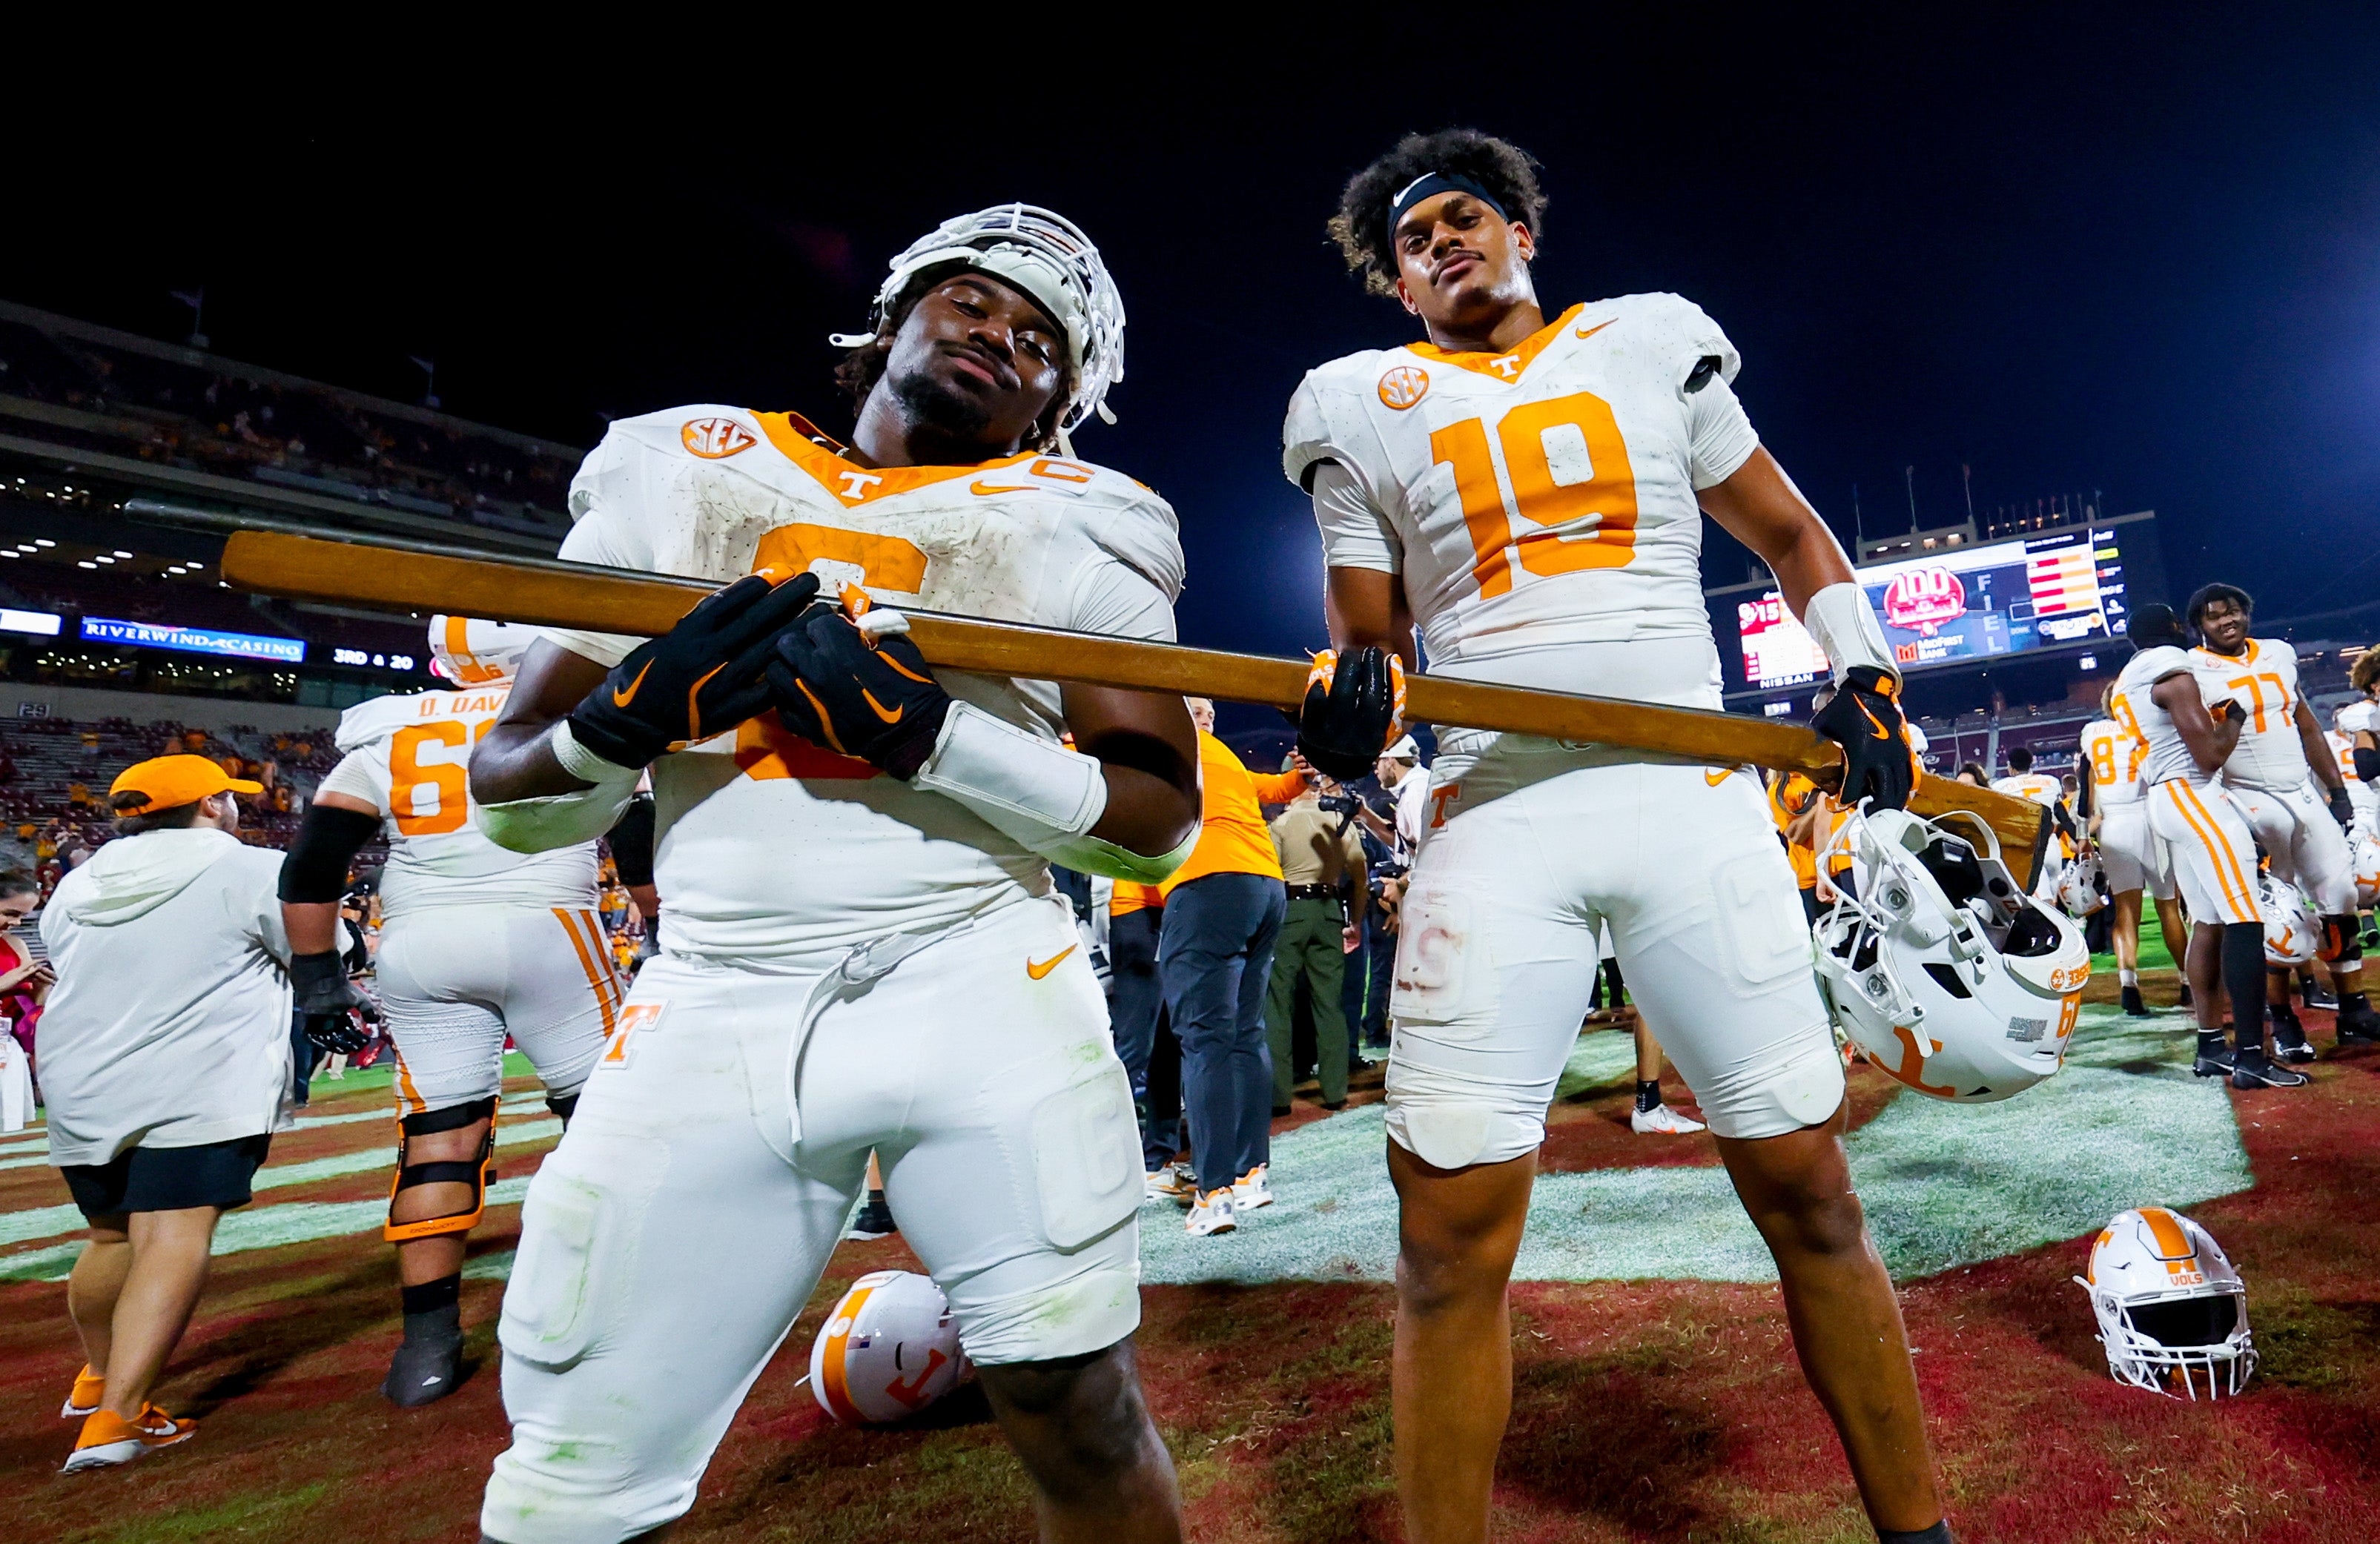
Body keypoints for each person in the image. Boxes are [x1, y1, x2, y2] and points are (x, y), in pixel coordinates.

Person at [465, 203, 1201, 1544]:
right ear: (896, 313)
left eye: (1041, 343)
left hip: (982, 974)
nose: (1001, 339)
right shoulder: (681, 462)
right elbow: (511, 797)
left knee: (1077, 1405)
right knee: (577, 1463)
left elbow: (1153, 821)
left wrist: (938, 738)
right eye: (975, 305)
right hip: (713, 994)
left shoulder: (1087, 518)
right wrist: (621, 721)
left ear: (1058, 405)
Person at [1283, 129, 1951, 1543]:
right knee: (1446, 1242)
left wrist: (1866, 666)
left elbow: (1790, 532)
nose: (1443, 243)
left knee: (1809, 1187)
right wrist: (1347, 700)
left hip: (1682, 793)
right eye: (1415, 240)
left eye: (1466, 216)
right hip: (1493, 808)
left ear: (1524, 229)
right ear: (1397, 284)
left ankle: (1921, 1532)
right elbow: (1366, 636)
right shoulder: (1358, 404)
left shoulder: (1650, 343)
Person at [276, 614, 644, 1407]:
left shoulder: (387, 731)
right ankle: (640, 1305)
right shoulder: (571, 714)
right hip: (548, 922)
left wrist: (318, 979)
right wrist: (668, 927)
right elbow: (640, 842)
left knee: (437, 1142)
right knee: (614, 1122)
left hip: (419, 940)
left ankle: (427, 1347)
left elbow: (312, 863)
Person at [39, 755, 291, 1471]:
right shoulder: (249, 867)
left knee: (111, 1235)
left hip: (80, 1075)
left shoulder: (80, 878)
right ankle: (116, 1419)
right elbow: (314, 945)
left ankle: (97, 1379)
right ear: (211, 806)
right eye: (228, 798)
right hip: (194, 1077)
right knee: (174, 1233)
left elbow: (61, 952)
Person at [2115, 603, 2302, 1087]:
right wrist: (2234, 718)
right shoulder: (2172, 673)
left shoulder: (2130, 677)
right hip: (2193, 794)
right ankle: (2252, 1059)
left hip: (2166, 799)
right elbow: (2210, 752)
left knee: (2210, 922)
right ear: (2177, 630)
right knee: (2244, 919)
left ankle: (2211, 1047)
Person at [2185, 583, 2377, 1049]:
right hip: (2245, 796)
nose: (2227, 621)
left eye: (2235, 612)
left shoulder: (2278, 652)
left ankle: (2353, 1007)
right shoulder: (2189, 669)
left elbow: (2306, 722)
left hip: (2301, 791)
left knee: (2343, 893)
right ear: (2200, 626)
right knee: (2275, 916)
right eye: (2215, 616)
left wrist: (2336, 789)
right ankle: (2282, 1017)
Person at [1156, 698, 1298, 1234]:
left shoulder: (1169, 742)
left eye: (1209, 708)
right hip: (1265, 884)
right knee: (1244, 1034)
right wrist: (1302, 778)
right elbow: (1278, 790)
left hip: (1209, 883)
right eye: (1197, 707)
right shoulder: (1224, 757)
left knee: (1205, 1039)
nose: (1207, 714)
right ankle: (1249, 1173)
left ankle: (1213, 1191)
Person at [2080, 685, 2189, 1016]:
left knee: (2126, 912)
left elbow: (2087, 786)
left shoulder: (2091, 733)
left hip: (2113, 823)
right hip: (2149, 817)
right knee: (2168, 905)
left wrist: (2084, 833)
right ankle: (2187, 981)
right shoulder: (2143, 726)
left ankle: (2129, 985)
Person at [1266, 772, 1367, 1113]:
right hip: (1329, 911)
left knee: (1278, 1003)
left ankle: (1279, 1096)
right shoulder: (1339, 821)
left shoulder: (1280, 825)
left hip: (1290, 910)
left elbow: (1270, 879)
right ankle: (1335, 1090)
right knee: (1329, 1003)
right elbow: (1360, 878)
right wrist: (1354, 922)